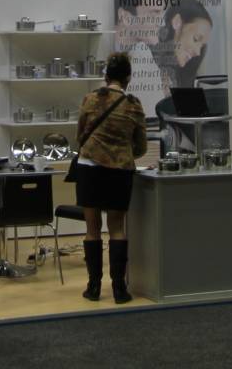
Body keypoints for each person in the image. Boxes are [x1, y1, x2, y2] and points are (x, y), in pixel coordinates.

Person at [73, 53, 149, 304]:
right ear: (128, 78)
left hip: (89, 167)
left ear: (106, 76)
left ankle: (93, 287)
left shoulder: (91, 99)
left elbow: (80, 135)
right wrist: (122, 152)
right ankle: (119, 289)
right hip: (120, 169)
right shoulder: (134, 105)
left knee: (92, 228)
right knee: (117, 227)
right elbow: (141, 146)